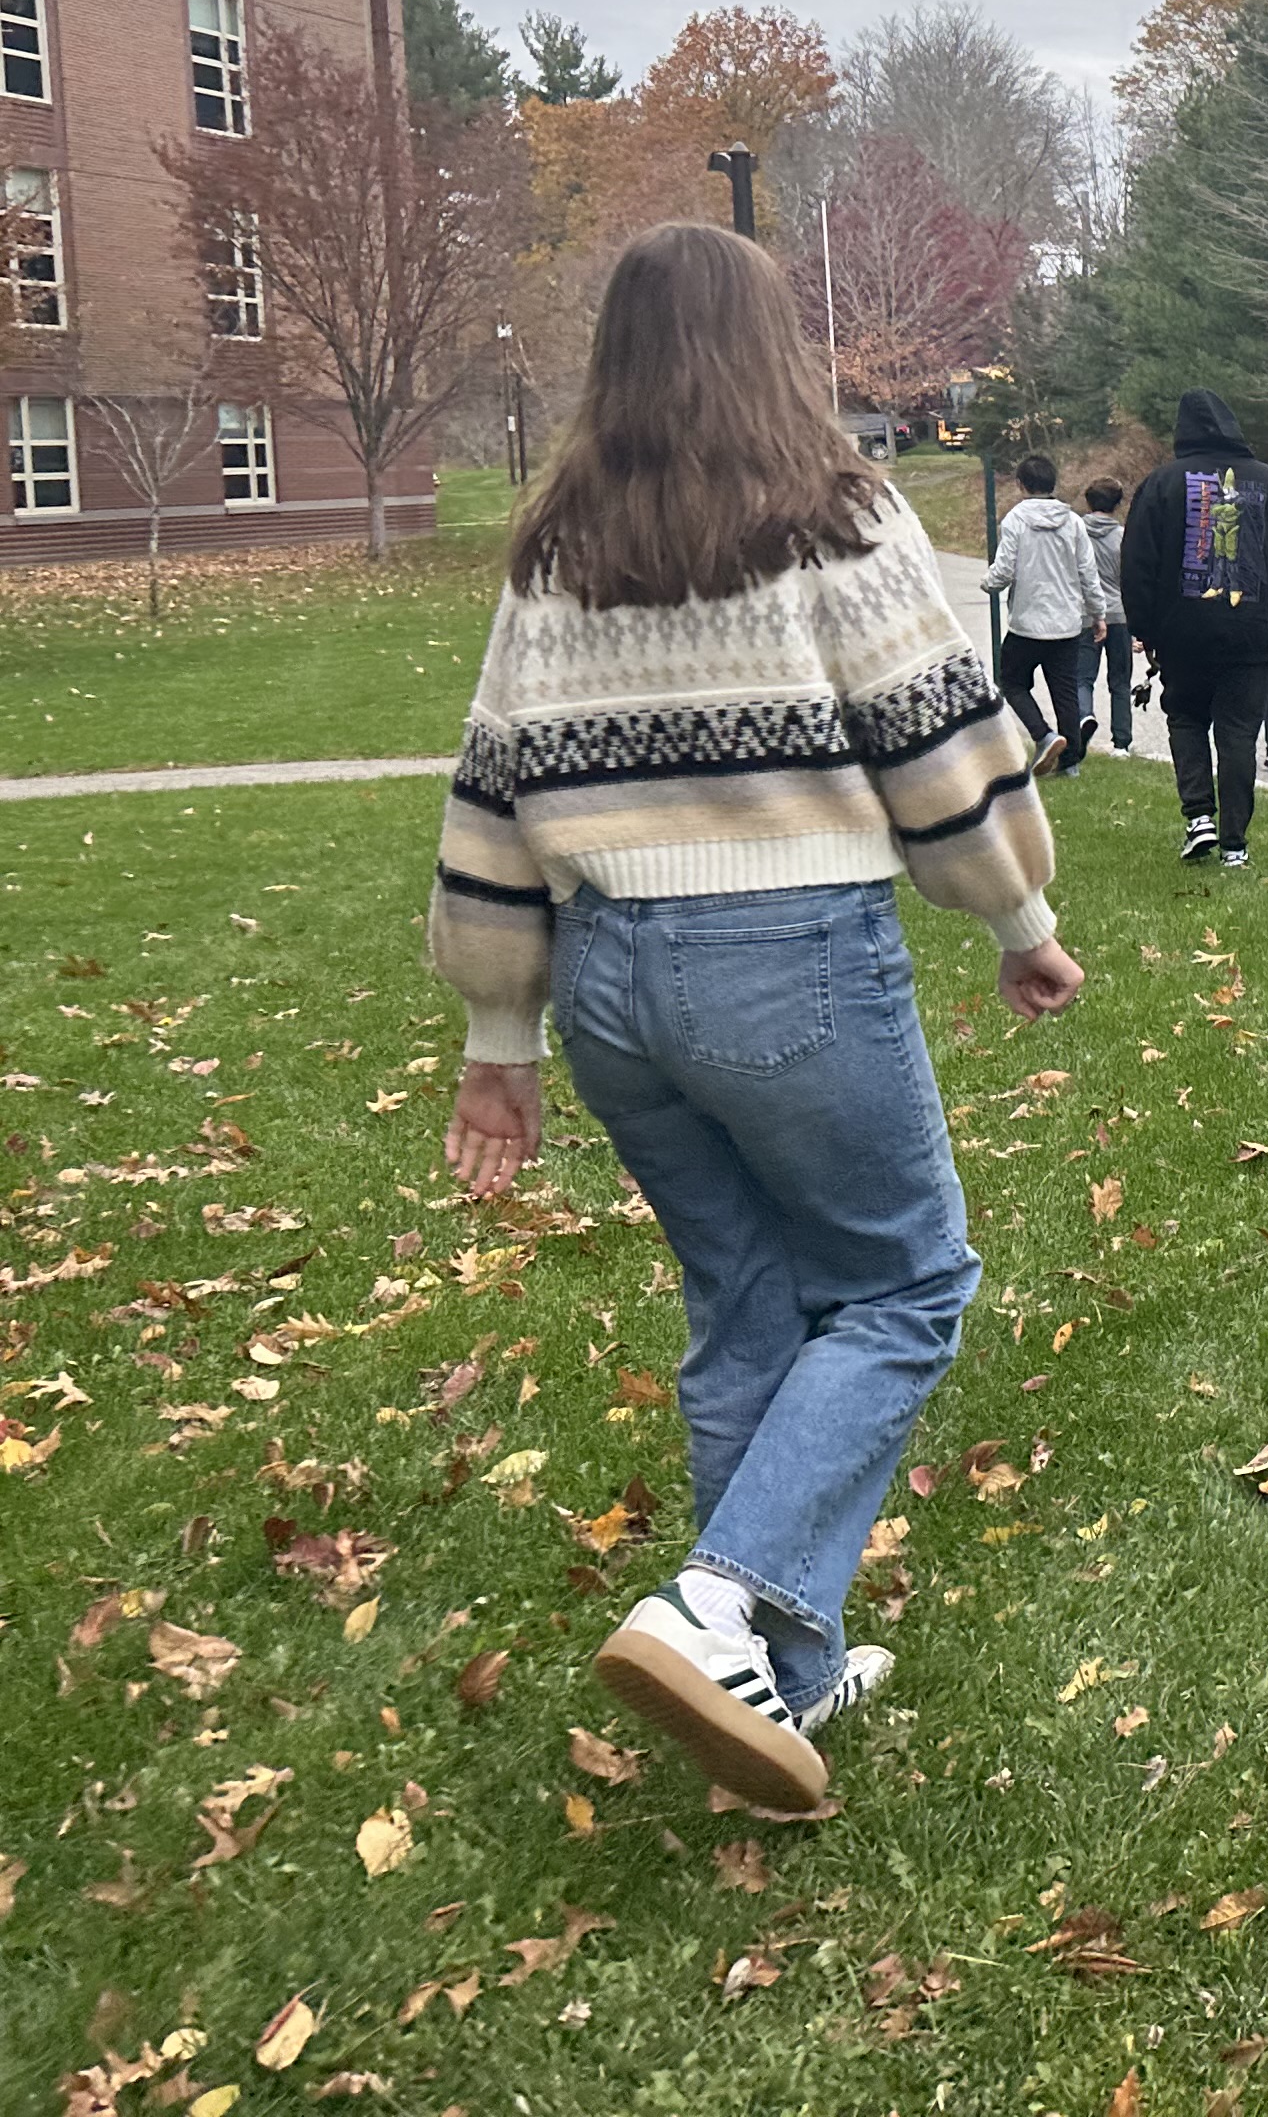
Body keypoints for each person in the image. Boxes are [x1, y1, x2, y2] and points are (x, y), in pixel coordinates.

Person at [428, 219, 1083, 1809]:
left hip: (607, 983)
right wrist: (1019, 915)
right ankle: (720, 1601)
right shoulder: (835, 518)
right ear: (770, 346)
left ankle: (772, 1684)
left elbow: (491, 797)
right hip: (789, 952)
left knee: (745, 1307)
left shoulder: (551, 553)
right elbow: (942, 750)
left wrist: (497, 1038)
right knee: (907, 1287)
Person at [1119, 391, 1268, 867]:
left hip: (1182, 631)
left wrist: (1145, 628)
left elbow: (1138, 563)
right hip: (1252, 630)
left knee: (1185, 717)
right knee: (1240, 732)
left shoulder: (1161, 485)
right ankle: (1235, 843)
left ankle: (1199, 814)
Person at [980, 452, 1111, 776]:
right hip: (1066, 624)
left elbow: (1004, 569)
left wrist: (988, 583)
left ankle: (1043, 735)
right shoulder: (1073, 522)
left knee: (1011, 681)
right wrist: (1098, 613)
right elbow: (1087, 572)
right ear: (1053, 483)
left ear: (1021, 484)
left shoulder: (1015, 520)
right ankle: (1070, 765)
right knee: (1064, 692)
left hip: (1027, 623)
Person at [1080, 478, 1133, 753]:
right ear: (1117, 504)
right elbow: (1130, 579)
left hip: (1086, 614)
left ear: (1088, 502)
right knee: (1120, 681)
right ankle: (1121, 742)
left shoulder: (1076, 533)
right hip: (1119, 613)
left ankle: (1083, 717)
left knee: (1082, 677)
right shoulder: (1124, 537)